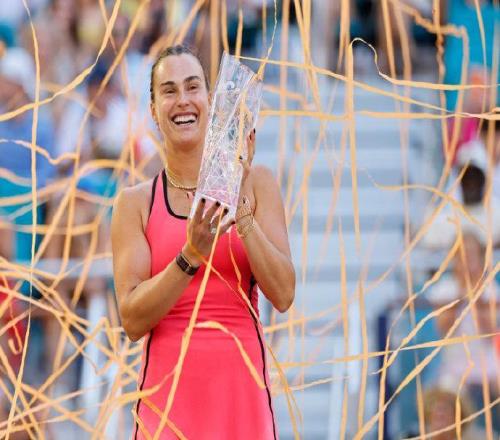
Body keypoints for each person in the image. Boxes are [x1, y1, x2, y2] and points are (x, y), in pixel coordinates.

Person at [111, 45, 295, 439]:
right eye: (169, 90)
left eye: (192, 87)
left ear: (210, 100)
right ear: (154, 109)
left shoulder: (258, 183)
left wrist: (241, 209)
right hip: (168, 401)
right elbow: (132, 319)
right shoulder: (135, 203)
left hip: (241, 396)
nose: (183, 100)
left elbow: (283, 294)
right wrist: (189, 256)